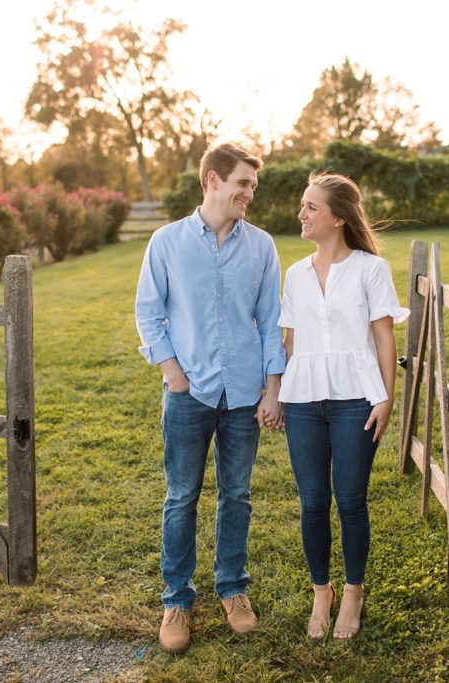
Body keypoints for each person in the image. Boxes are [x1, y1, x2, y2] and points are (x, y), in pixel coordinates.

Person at [135, 143, 286, 654]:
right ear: (213, 181)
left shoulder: (262, 246)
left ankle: (233, 589)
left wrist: (272, 390)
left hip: (244, 393)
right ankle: (176, 598)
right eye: (243, 183)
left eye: (253, 186)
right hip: (188, 392)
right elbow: (148, 313)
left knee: (237, 494)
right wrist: (174, 375)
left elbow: (271, 323)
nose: (249, 193)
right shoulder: (167, 242)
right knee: (181, 497)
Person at [278, 172, 408, 641]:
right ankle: (322, 592)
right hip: (303, 401)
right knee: (313, 503)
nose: (302, 214)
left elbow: (383, 336)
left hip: (358, 400)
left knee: (350, 501)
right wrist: (277, 394)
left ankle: (353, 592)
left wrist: (386, 399)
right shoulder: (294, 274)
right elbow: (289, 342)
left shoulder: (370, 269)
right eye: (303, 205)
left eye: (311, 206)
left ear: (337, 217)